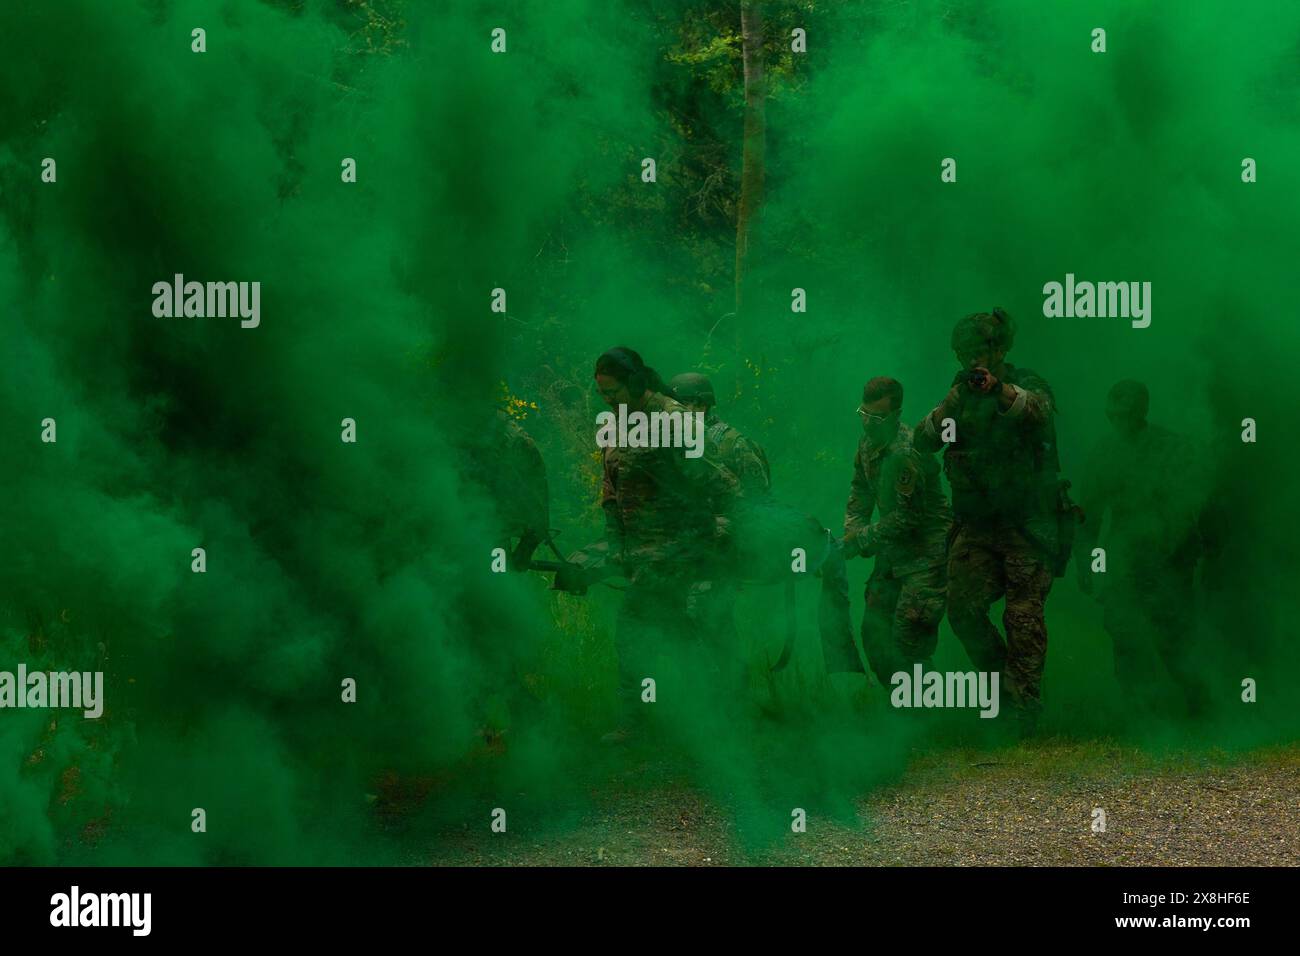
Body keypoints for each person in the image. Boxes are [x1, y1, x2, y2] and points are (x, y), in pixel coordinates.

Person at [913, 308, 1068, 732]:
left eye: (977, 352)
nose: (969, 361)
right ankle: (1002, 687)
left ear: (999, 350)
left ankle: (1025, 711)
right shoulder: (958, 394)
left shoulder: (1027, 383)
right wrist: (951, 404)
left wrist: (999, 391)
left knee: (1023, 616)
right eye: (961, 353)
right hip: (977, 525)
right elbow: (923, 441)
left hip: (1026, 524)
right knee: (962, 610)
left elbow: (1037, 413)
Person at [573, 348, 736, 741]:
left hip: (682, 555)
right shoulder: (614, 424)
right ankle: (662, 719)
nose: (608, 400)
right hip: (642, 559)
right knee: (654, 636)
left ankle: (700, 720)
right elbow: (611, 490)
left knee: (660, 634)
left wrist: (706, 541)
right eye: (602, 395)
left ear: (635, 383)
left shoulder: (675, 420)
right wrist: (614, 546)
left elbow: (719, 485)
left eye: (613, 391)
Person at [1074, 380, 1210, 715]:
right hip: (1125, 555)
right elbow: (1089, 516)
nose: (1119, 422)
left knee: (1174, 638)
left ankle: (1201, 708)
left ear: (1142, 411)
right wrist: (1087, 563)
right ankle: (1140, 715)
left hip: (1170, 555)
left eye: (1126, 414)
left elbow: (1190, 507)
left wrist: (1173, 554)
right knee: (1123, 630)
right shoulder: (1104, 453)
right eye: (1112, 415)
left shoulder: (1173, 449)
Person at [841, 377, 952, 686]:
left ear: (896, 413)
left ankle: (923, 716)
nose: (867, 423)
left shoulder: (906, 451)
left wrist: (862, 539)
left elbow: (909, 518)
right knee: (873, 634)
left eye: (876, 417)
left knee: (909, 639)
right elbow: (859, 492)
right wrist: (853, 531)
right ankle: (902, 710)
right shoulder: (867, 443)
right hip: (892, 552)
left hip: (925, 555)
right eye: (863, 414)